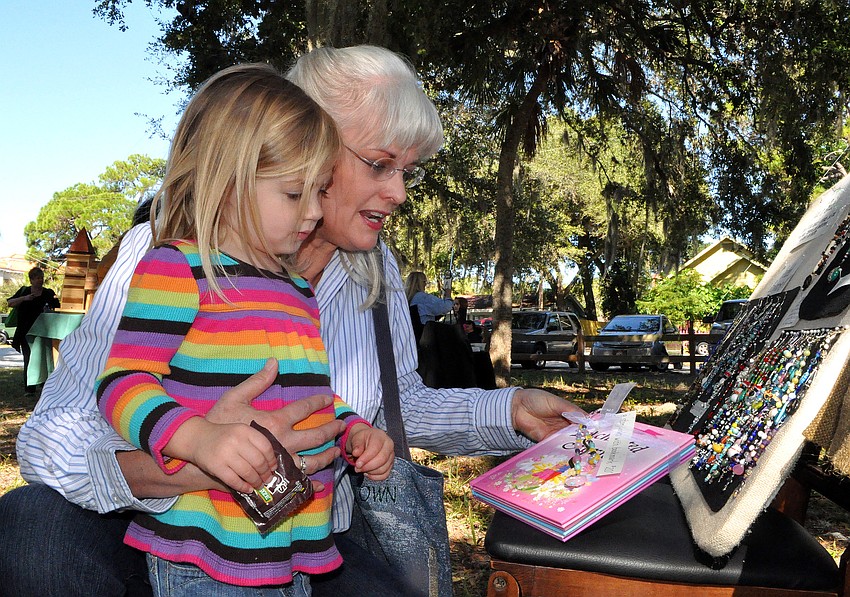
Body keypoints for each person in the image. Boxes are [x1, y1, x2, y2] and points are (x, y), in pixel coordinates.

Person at [2, 45, 585, 597]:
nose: (400, 192)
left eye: (409, 170)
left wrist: (511, 412)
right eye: (380, 164)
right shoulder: (165, 254)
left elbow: (396, 403)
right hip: (152, 525)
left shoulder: (370, 267)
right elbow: (49, 439)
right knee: (36, 535)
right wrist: (203, 457)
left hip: (296, 536)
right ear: (299, 143)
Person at [97, 63, 394, 595]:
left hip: (293, 545)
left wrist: (353, 431)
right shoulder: (178, 268)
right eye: (292, 194)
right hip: (205, 551)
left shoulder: (297, 290)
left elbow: (311, 396)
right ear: (230, 183)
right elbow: (122, 382)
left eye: (319, 191)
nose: (312, 212)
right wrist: (196, 438)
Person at [6, 266, 60, 392]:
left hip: (45, 332)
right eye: (37, 278)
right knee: (29, 358)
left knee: (46, 358)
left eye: (41, 278)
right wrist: (24, 298)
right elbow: (10, 303)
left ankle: (44, 385)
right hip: (26, 332)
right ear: (31, 280)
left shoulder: (48, 293)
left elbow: (58, 308)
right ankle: (29, 388)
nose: (40, 280)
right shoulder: (24, 291)